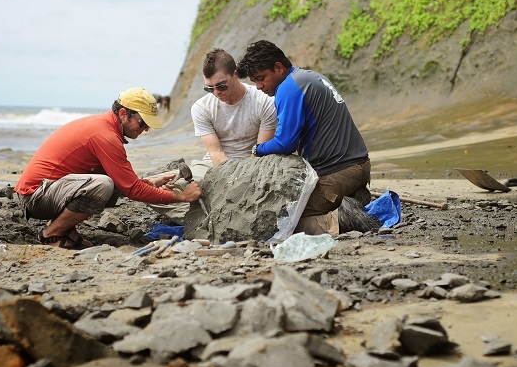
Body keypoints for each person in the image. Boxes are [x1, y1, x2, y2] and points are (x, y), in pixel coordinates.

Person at [14, 88, 203, 249]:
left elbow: (126, 182)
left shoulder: (105, 127)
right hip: (35, 197)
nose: (145, 129)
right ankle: (52, 234)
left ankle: (66, 229)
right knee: (103, 185)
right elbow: (133, 190)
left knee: (109, 181)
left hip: (48, 190)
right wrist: (183, 197)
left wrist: (149, 183)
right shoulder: (105, 136)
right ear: (123, 114)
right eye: (143, 123)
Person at [237, 40, 371, 235]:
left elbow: (285, 143)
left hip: (337, 174)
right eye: (254, 81)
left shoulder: (288, 88)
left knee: (281, 220)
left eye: (261, 78)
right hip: (361, 166)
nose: (258, 87)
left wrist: (258, 149)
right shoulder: (309, 76)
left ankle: (340, 218)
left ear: (278, 68)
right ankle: (352, 197)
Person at [148, 48, 278, 224]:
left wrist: (239, 183)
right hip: (214, 165)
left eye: (221, 86)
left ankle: (211, 215)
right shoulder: (201, 108)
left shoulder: (264, 101)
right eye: (209, 88)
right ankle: (206, 219)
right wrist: (227, 181)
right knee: (154, 191)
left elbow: (261, 152)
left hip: (253, 164)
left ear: (236, 74)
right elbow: (215, 152)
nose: (216, 93)